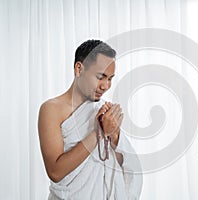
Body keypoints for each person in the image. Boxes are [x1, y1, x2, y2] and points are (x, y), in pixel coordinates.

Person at [38, 40, 143, 199]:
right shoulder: (52, 109)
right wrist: (99, 131)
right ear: (79, 69)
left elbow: (128, 167)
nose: (106, 85)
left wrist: (114, 135)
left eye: (110, 78)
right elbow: (55, 172)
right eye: (101, 77)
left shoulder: (102, 110)